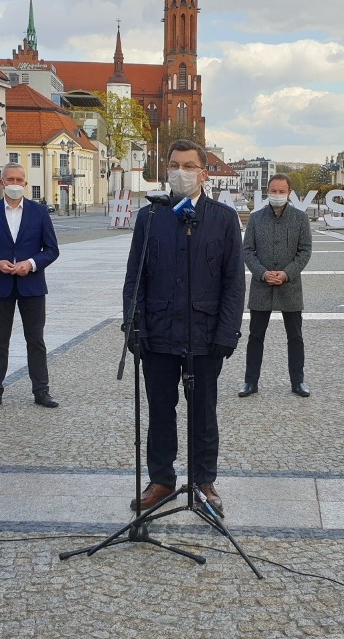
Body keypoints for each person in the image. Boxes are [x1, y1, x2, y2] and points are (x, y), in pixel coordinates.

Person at [122, 139, 245, 516]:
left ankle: (204, 479)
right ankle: (161, 479)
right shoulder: (151, 217)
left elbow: (233, 284)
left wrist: (227, 335)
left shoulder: (223, 219)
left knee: (203, 412)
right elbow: (134, 278)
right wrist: (133, 327)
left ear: (203, 172)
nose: (180, 172)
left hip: (205, 336)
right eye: (174, 165)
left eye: (189, 166)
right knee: (160, 411)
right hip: (157, 333)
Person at [0, 162, 60, 412]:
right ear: (1, 183)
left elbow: (52, 250)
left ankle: (41, 390)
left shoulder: (39, 212)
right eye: (10, 180)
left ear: (25, 184)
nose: (15, 184)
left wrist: (31, 264)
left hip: (32, 285)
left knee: (36, 340)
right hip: (0, 285)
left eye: (20, 180)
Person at [238, 174, 312, 398]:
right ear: (267, 191)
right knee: (255, 336)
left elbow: (305, 251)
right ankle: (250, 382)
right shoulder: (256, 218)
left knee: (295, 337)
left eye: (281, 191)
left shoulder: (300, 218)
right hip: (262, 286)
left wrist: (287, 274)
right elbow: (247, 250)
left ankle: (297, 382)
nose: (277, 195)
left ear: (289, 193)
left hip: (290, 286)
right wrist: (262, 273)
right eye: (273, 191)